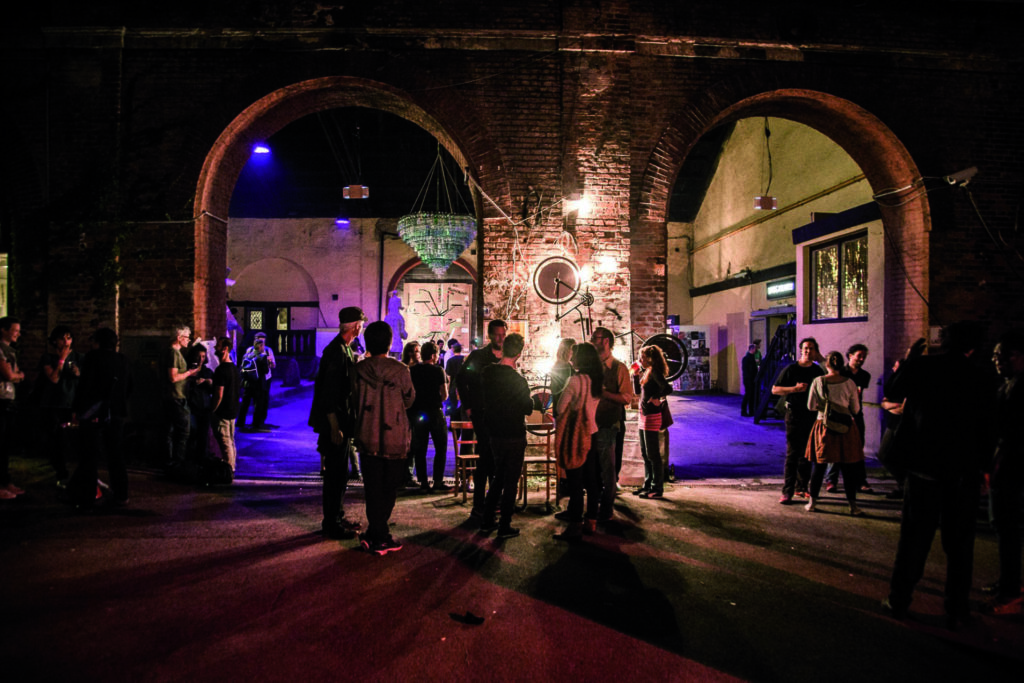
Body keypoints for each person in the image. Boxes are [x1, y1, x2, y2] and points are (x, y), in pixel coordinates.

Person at [882, 323, 989, 629]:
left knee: (914, 541)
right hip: (962, 474)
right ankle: (956, 609)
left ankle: (899, 600)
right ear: (972, 347)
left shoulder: (924, 366)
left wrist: (909, 358)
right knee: (959, 547)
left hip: (923, 469)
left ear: (942, 342)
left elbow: (893, 391)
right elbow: (988, 428)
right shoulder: (981, 377)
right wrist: (983, 470)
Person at [352, 321, 416, 555]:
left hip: (367, 435)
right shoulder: (400, 370)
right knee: (389, 488)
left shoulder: (359, 370)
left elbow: (353, 400)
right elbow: (409, 400)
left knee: (372, 488)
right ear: (390, 342)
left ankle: (374, 533)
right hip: (394, 437)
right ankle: (380, 536)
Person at [310, 307, 366, 540]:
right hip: (336, 423)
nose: (362, 328)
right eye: (361, 324)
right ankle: (331, 522)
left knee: (341, 473)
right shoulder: (336, 352)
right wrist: (334, 426)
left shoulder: (344, 349)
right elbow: (329, 393)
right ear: (355, 326)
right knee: (334, 474)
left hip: (341, 421)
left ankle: (337, 516)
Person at [68, 328, 132, 507]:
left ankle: (88, 495)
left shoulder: (92, 358)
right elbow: (129, 386)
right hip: (117, 412)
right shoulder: (123, 360)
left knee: (89, 453)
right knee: (116, 454)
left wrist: (78, 409)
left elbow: (85, 386)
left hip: (94, 411)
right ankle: (121, 493)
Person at [985, 330, 1024, 615]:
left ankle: (1011, 589)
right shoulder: (1007, 385)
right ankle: (1008, 581)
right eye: (995, 355)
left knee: (1008, 527)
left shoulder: (1018, 388)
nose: (996, 360)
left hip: (1012, 467)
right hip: (1004, 465)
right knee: (1003, 527)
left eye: (1003, 354)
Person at [480, 333, 533, 538]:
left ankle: (486, 519)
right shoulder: (518, 381)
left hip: (494, 432)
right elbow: (527, 408)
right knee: (510, 480)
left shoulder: (487, 373)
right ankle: (504, 525)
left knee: (498, 477)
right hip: (513, 432)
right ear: (519, 354)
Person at [456, 319, 507, 521]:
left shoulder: (506, 356)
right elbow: (461, 378)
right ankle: (481, 505)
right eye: (496, 334)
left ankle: (491, 501)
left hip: (500, 414)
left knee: (495, 459)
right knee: (486, 457)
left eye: (503, 334)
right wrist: (468, 405)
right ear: (490, 335)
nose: (500, 338)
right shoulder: (478, 356)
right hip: (482, 412)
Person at [803, 351, 865, 515]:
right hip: (846, 428)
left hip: (823, 426)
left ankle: (812, 503)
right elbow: (856, 409)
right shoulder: (850, 383)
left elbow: (810, 406)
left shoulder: (818, 381)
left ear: (827, 364)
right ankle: (853, 506)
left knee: (819, 465)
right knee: (848, 467)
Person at [552, 342, 602, 540]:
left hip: (577, 435)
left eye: (575, 355)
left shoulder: (575, 381)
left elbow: (561, 408)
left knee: (575, 482)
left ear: (581, 359)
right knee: (592, 480)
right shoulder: (597, 380)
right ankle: (591, 521)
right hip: (593, 432)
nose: (571, 358)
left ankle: (574, 526)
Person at [588, 327, 634, 524]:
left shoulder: (619, 368)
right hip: (590, 425)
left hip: (607, 424)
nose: (592, 341)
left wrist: (604, 393)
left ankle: (606, 510)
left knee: (608, 471)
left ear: (606, 341)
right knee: (592, 469)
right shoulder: (593, 366)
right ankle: (592, 508)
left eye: (595, 338)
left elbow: (626, 398)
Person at [772, 337, 825, 504]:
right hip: (794, 414)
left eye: (811, 348)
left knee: (808, 453)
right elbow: (775, 390)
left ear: (815, 351)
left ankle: (802, 487)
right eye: (805, 348)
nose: (808, 351)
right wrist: (794, 389)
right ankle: (787, 491)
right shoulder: (791, 369)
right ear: (801, 350)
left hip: (811, 415)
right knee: (793, 453)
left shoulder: (817, 372)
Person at [39, 325, 82, 484]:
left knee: (72, 439)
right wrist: (62, 360)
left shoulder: (78, 357)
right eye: (62, 338)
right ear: (55, 341)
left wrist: (78, 373)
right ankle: (60, 473)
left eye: (69, 338)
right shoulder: (48, 358)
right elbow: (54, 378)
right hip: (53, 404)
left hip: (71, 403)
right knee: (55, 439)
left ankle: (75, 473)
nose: (66, 342)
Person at [826, 343, 872, 493]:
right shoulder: (841, 373)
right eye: (859, 355)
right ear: (850, 355)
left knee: (858, 447)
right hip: (840, 414)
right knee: (836, 446)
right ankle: (831, 480)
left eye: (863, 356)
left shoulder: (864, 375)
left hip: (857, 415)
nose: (862, 359)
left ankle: (860, 480)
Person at [409, 341, 449, 491]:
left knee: (420, 448)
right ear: (433, 356)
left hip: (419, 413)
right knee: (441, 446)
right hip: (435, 412)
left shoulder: (413, 371)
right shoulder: (438, 371)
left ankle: (423, 482)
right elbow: (444, 395)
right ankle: (438, 481)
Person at [635, 344, 673, 499]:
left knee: (653, 454)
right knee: (645, 453)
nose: (640, 360)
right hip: (643, 415)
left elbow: (667, 388)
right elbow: (638, 392)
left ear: (650, 358)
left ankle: (656, 488)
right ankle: (647, 484)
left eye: (642, 357)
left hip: (652, 416)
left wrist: (657, 398)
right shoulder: (647, 372)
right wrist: (636, 376)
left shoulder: (655, 372)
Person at [164, 325, 202, 474]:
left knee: (169, 431)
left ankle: (170, 461)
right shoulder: (173, 353)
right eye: (187, 337)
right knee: (184, 431)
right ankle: (178, 463)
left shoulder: (172, 353)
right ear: (179, 338)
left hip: (171, 397)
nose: (189, 340)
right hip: (177, 398)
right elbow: (173, 377)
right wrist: (189, 373)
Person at [0, 317, 26, 500]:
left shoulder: (10, 351)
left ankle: (5, 482)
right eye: (15, 330)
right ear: (3, 330)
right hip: (1, 400)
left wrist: (17, 376)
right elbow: (9, 375)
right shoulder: (0, 350)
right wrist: (18, 376)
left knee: (6, 444)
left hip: (8, 399)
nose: (18, 333)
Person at [211, 337, 242, 472]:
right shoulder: (234, 369)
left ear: (224, 349)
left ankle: (229, 470)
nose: (215, 349)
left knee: (225, 443)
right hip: (233, 410)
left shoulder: (221, 370)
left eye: (217, 346)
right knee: (231, 441)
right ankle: (232, 466)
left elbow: (219, 395)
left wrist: (212, 410)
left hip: (223, 411)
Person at [238, 332, 276, 432]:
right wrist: (268, 363)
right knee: (258, 403)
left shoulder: (248, 353)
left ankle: (240, 422)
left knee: (245, 403)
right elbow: (266, 370)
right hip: (259, 383)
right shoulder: (263, 356)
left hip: (248, 382)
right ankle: (257, 423)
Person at [185, 345, 215, 460]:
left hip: (204, 407)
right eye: (198, 356)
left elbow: (213, 390)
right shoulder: (188, 370)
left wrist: (209, 382)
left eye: (203, 356)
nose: (200, 359)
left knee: (203, 435)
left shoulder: (207, 371)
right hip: (191, 407)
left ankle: (202, 458)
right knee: (192, 433)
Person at [549, 338, 576, 416]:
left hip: (559, 405)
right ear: (567, 350)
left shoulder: (560, 364)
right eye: (573, 349)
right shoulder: (564, 366)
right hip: (564, 407)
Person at [444, 341, 465, 419]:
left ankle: (454, 425)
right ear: (460, 350)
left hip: (453, 386)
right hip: (463, 387)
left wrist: (448, 389)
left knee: (453, 406)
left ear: (453, 350)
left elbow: (448, 377)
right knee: (463, 406)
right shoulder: (464, 360)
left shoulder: (450, 361)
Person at [740, 343, 758, 417]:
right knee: (749, 395)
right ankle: (745, 410)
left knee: (750, 395)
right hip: (749, 379)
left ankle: (749, 411)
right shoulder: (748, 358)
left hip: (749, 379)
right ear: (752, 349)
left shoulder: (748, 358)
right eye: (755, 349)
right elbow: (748, 370)